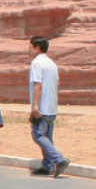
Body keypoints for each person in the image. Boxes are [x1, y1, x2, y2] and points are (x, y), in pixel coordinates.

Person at [28, 36, 70, 177]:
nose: (28, 49)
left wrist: (35, 105)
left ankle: (59, 160)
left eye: (30, 46)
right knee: (47, 137)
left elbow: (37, 85)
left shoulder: (37, 63)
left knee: (38, 135)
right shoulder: (52, 64)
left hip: (42, 107)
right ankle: (47, 166)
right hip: (52, 107)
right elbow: (57, 84)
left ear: (37, 47)